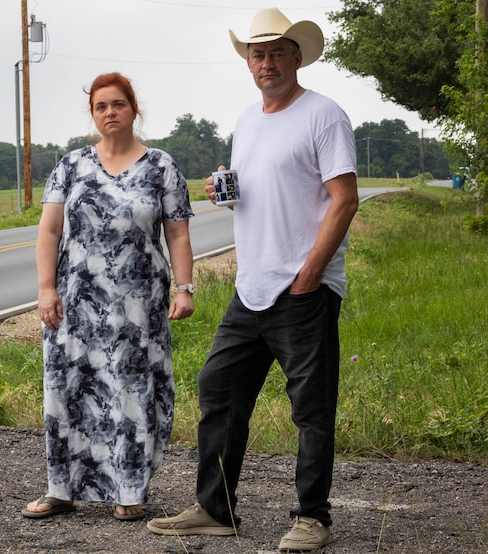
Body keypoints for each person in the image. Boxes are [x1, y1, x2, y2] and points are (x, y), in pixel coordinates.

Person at [146, 7, 358, 552]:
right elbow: (256, 193)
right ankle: (216, 510)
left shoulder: (324, 115)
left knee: (311, 408)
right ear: (249, 63)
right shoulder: (246, 121)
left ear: (297, 57)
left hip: (304, 289)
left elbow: (344, 199)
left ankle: (313, 518)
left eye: (277, 53)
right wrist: (227, 191)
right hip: (252, 286)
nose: (267, 63)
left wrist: (310, 274)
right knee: (218, 386)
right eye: (257, 54)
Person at [22, 72, 195, 522]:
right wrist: (45, 289)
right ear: (93, 114)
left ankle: (129, 490)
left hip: (138, 307)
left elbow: (177, 233)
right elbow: (49, 231)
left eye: (117, 104)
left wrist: (184, 286)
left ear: (133, 110)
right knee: (69, 391)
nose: (109, 113)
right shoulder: (71, 165)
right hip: (75, 304)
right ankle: (61, 489)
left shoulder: (160, 165)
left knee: (131, 392)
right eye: (101, 107)